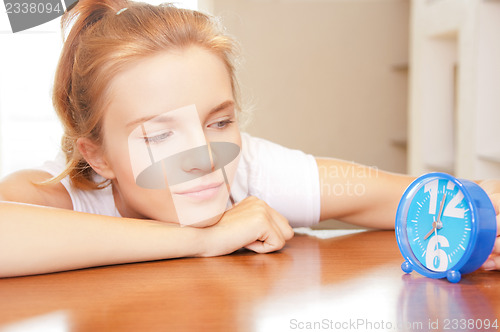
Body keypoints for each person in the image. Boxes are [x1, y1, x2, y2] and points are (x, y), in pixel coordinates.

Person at [0, 0, 499, 278]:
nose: (204, 160)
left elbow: (412, 198)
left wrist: (482, 215)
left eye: (218, 123)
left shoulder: (252, 168)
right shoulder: (62, 197)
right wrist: (202, 239)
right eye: (159, 135)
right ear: (97, 156)